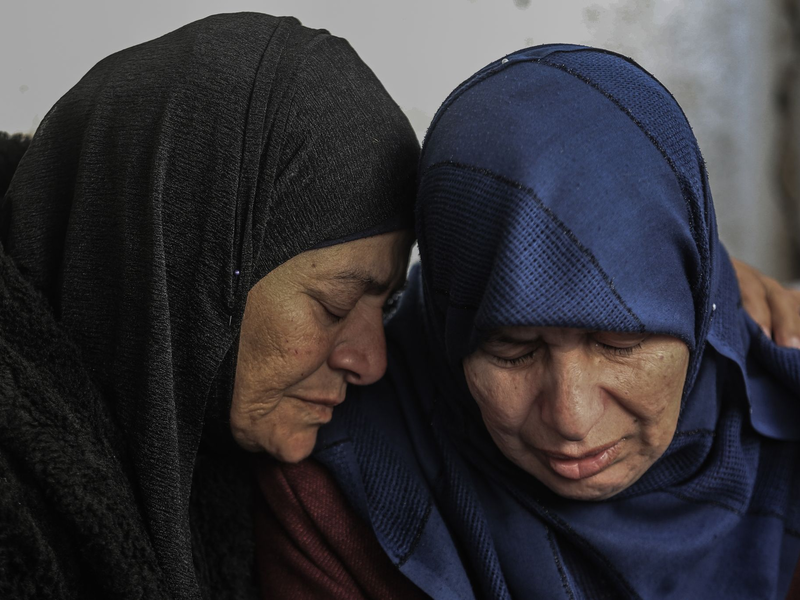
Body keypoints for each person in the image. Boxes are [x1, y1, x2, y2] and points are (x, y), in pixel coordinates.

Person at [267, 45, 800, 599]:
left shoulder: (784, 445)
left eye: (620, 342)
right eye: (513, 350)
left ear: (694, 295)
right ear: (450, 330)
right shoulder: (339, 487)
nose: (570, 418)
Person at [0, 13, 419, 599]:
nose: (370, 361)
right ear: (183, 259)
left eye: (390, 300)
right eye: (335, 303)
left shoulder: (246, 474)